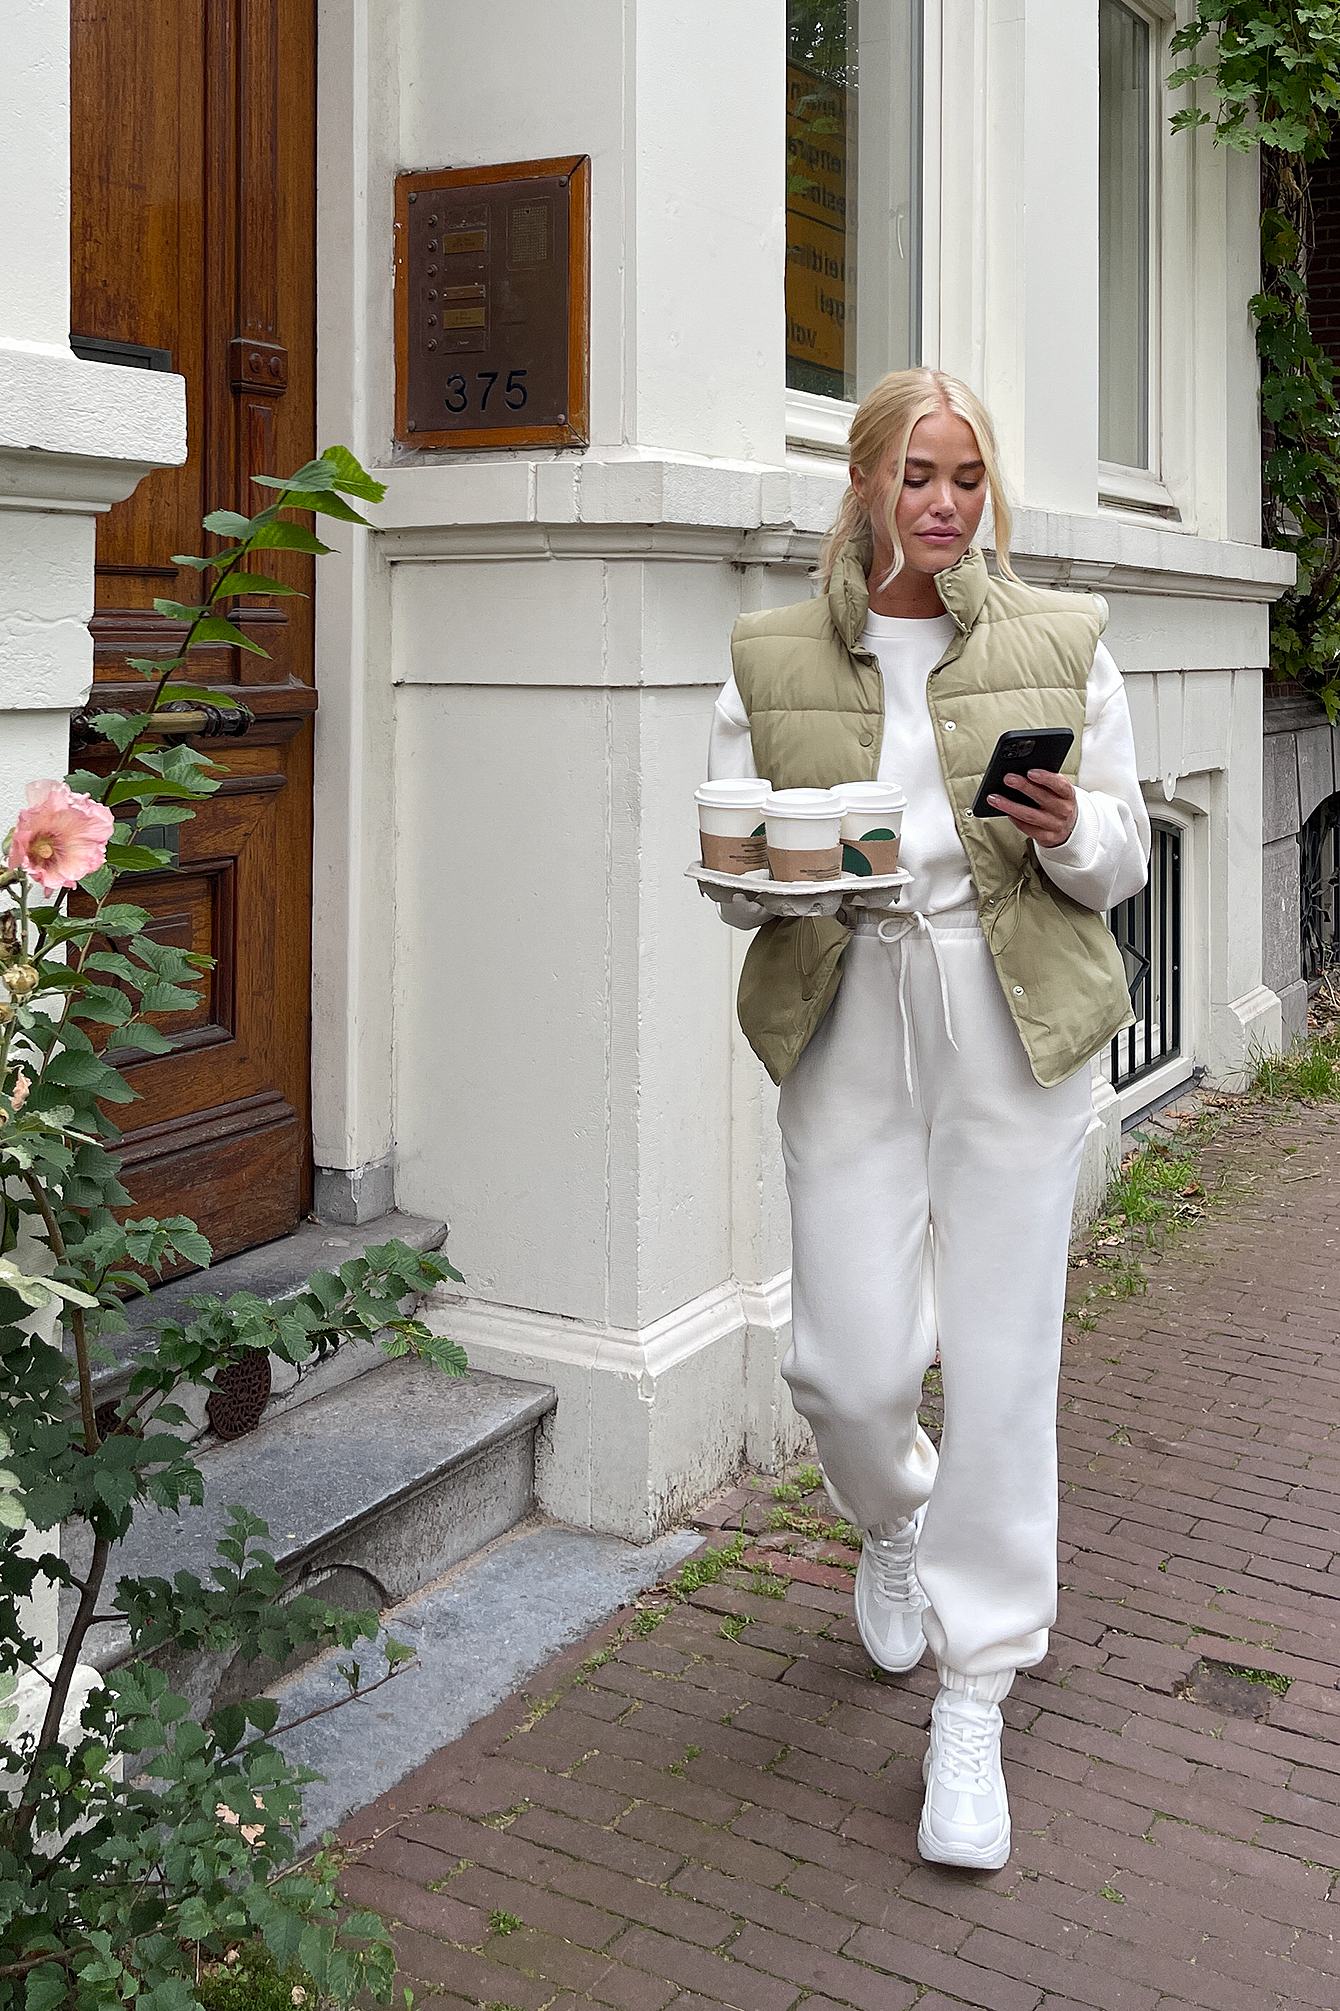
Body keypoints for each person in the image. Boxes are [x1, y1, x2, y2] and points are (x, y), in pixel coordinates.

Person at [707, 367, 1149, 1870]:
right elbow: (741, 853)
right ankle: (895, 1519)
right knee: (844, 1367)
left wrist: (1072, 829)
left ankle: (976, 1690)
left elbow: (1121, 853)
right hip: (848, 1010)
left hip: (1011, 1017)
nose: (946, 503)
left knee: (1006, 1363)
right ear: (866, 485)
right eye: (917, 475)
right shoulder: (770, 654)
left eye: (966, 476)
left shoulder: (1061, 639)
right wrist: (758, 884)